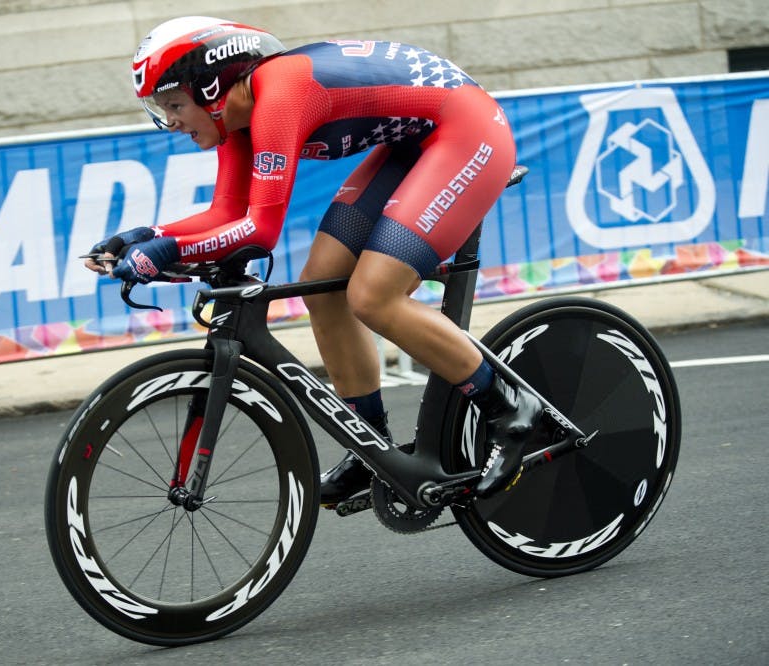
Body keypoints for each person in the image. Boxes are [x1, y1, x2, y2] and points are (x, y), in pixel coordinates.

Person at [84, 16, 542, 502]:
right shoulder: (235, 119)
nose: (170, 120)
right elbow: (225, 214)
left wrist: (165, 253)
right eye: (161, 107)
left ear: (213, 87)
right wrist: (146, 237)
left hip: (468, 132)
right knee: (323, 289)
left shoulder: (279, 98)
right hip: (414, 143)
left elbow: (259, 230)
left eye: (174, 103)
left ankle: (510, 410)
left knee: (372, 295)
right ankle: (372, 447)